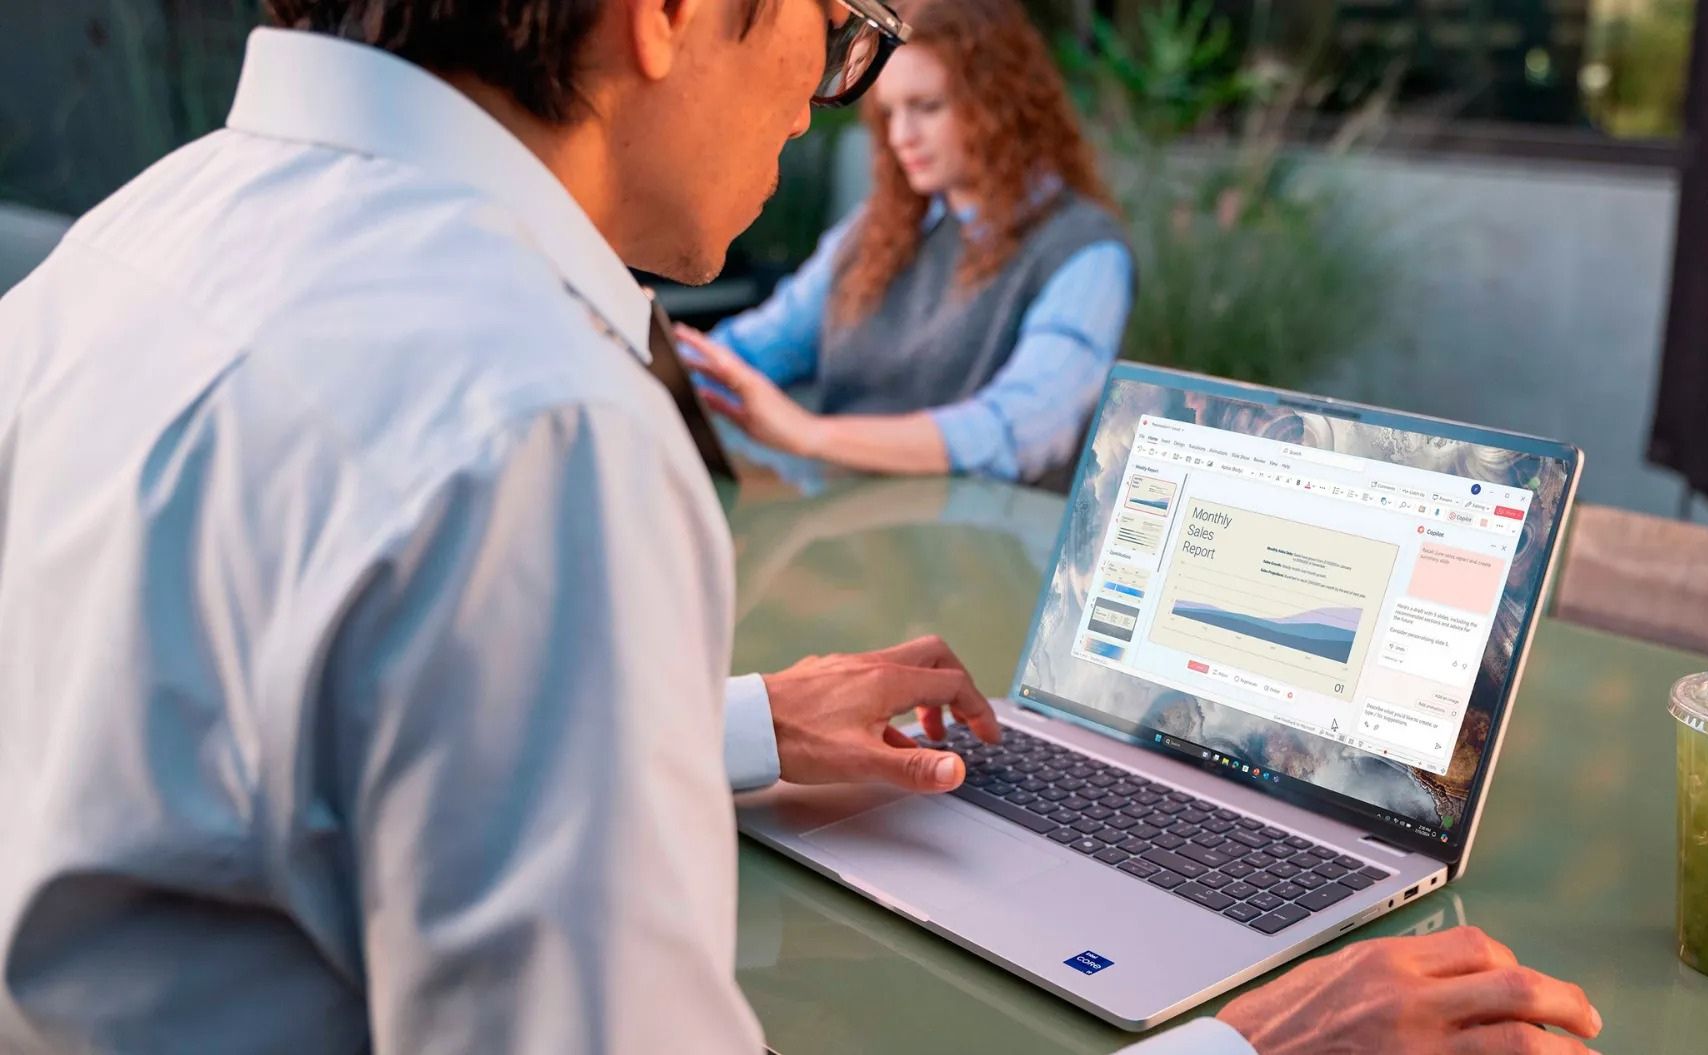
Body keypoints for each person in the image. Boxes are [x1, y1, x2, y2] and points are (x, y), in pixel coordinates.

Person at [0, 2, 1604, 1053]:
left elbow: (238, 748)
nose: (831, 98)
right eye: (838, 28)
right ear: (669, 14)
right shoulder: (532, 420)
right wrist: (1247, 1043)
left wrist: (725, 725)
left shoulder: (122, 250)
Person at [678, 0, 1129, 492]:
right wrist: (662, 362)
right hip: (845, 519)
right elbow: (759, 346)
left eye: (927, 107)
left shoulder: (1084, 249)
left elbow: (1020, 429)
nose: (900, 136)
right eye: (889, 113)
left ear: (1003, 102)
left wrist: (811, 435)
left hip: (985, 534)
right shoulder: (877, 229)